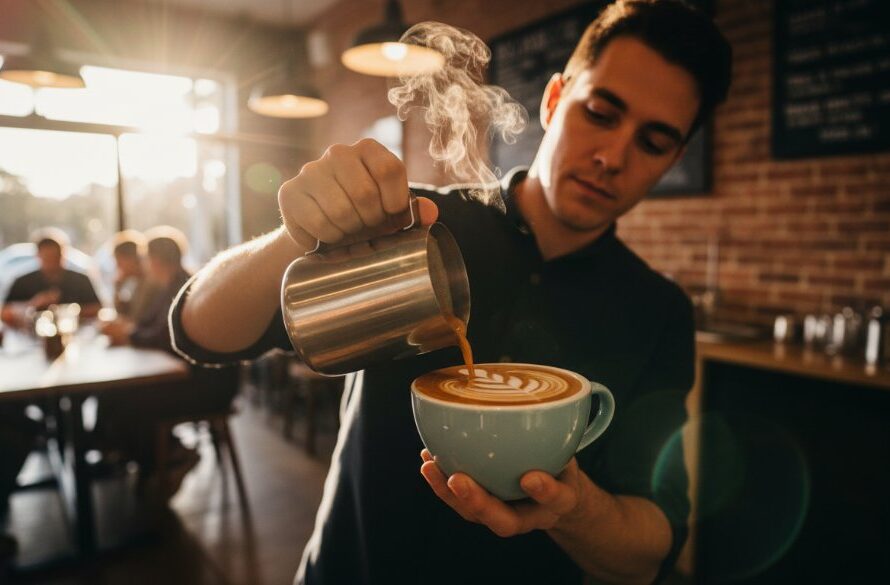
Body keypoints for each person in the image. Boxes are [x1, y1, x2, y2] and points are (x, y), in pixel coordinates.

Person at [171, 1, 732, 583]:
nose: (611, 157)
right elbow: (201, 330)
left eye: (653, 142)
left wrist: (577, 510)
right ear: (554, 98)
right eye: (600, 113)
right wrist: (295, 236)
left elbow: (651, 548)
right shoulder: (412, 225)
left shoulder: (658, 311)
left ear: (675, 159)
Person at [1, 229, 101, 329]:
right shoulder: (23, 282)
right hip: (29, 336)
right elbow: (4, 312)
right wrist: (33, 304)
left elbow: (98, 309)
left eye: (55, 257)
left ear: (63, 255)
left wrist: (68, 311)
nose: (52, 263)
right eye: (47, 258)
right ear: (38, 256)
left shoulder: (80, 280)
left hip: (75, 333)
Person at [109, 230, 161, 324]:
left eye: (119, 261)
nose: (117, 267)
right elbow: (124, 313)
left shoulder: (150, 282)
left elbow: (137, 320)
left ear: (131, 259)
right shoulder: (136, 282)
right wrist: (117, 288)